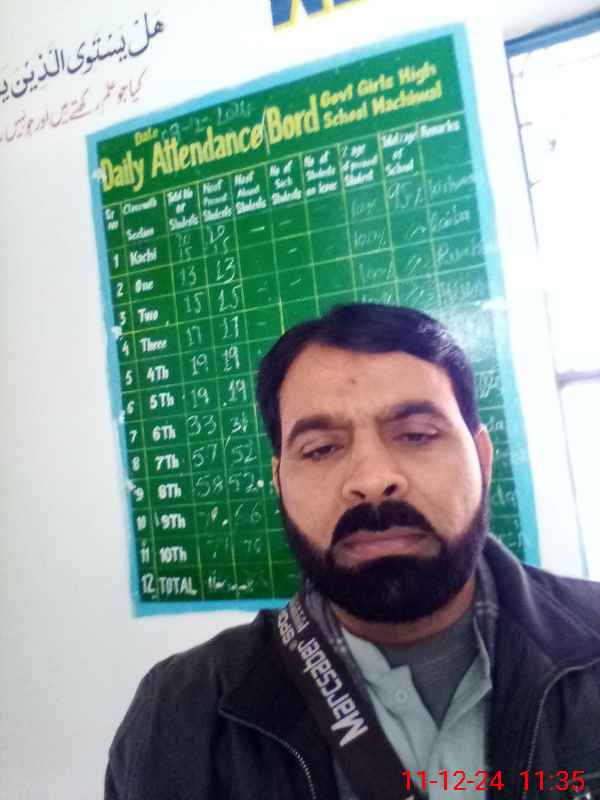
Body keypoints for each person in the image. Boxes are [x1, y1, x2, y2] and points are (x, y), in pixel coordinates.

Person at [105, 303, 600, 800]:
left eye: (417, 435)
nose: (372, 479)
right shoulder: (181, 714)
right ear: (279, 483)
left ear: (483, 459)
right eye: (321, 449)